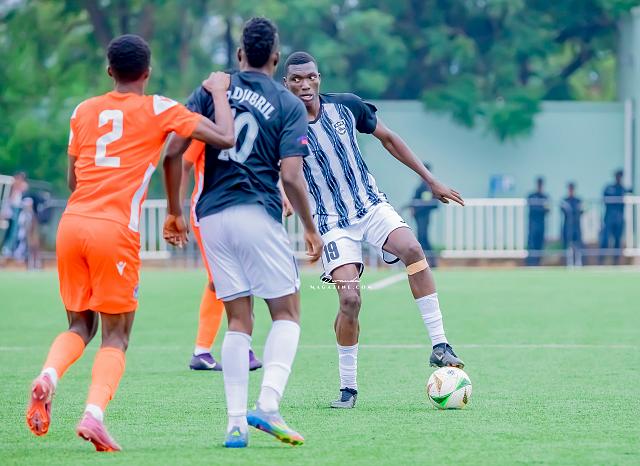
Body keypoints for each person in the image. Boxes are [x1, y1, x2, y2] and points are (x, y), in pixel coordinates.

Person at [25, 34, 235, 452]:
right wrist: (218, 92)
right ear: (147, 72)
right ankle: (93, 414)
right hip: (114, 230)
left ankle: (49, 375)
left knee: (79, 325)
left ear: (110, 71)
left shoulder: (83, 110)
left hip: (72, 224)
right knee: (116, 336)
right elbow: (224, 137)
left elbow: (73, 180)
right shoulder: (159, 107)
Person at [163, 18, 323, 448]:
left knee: (238, 320)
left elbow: (173, 151)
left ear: (239, 55)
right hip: (255, 211)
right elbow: (291, 176)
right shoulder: (288, 103)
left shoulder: (212, 88)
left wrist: (175, 212)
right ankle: (268, 405)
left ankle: (236, 423)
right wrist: (310, 228)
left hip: (211, 218)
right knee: (287, 313)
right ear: (276, 58)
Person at [283, 51, 465, 410]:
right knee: (350, 300)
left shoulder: (346, 106)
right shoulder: (284, 125)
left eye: (311, 77)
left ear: (319, 78)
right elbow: (282, 170)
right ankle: (348, 388)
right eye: (296, 79)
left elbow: (390, 139)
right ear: (286, 84)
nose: (305, 84)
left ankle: (440, 345)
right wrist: (289, 205)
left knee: (413, 249)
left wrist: (430, 180)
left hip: (370, 206)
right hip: (331, 222)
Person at [181, 140, 263, 372]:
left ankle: (205, 352)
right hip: (208, 212)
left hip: (240, 211)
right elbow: (183, 162)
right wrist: (175, 210)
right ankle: (236, 349)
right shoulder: (207, 129)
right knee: (224, 279)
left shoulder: (248, 125)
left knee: (231, 279)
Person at [410, 162, 439, 267]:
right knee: (422, 237)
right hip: (420, 216)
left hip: (423, 216)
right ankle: (429, 262)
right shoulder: (423, 185)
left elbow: (427, 201)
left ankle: (431, 262)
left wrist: (415, 208)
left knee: (423, 237)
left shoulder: (426, 186)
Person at [599, 170, 629, 265]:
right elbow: (604, 199)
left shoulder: (623, 189)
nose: (619, 178)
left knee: (617, 240)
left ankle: (616, 262)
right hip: (609, 218)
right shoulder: (609, 188)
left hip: (619, 219)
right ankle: (601, 260)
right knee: (605, 239)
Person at [1, 171, 28, 257]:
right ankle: (7, 248)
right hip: (12, 207)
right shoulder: (13, 185)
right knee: (11, 229)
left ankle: (10, 248)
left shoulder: (20, 185)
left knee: (15, 230)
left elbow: (24, 187)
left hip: (17, 208)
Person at [525, 177, 549, 266]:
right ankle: (530, 263)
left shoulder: (545, 197)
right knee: (532, 243)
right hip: (533, 224)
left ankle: (538, 263)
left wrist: (541, 209)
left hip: (541, 224)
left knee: (540, 243)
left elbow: (548, 210)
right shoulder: (531, 196)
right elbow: (533, 208)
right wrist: (541, 209)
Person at [561, 182, 583, 266]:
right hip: (568, 226)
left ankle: (578, 263)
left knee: (577, 244)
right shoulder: (565, 200)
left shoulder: (578, 200)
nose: (571, 190)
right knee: (568, 245)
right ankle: (569, 263)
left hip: (576, 225)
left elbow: (582, 210)